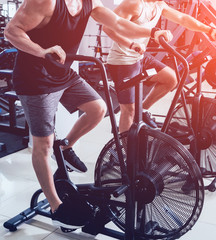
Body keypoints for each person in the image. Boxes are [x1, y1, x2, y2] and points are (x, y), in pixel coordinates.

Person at [4, 0, 172, 229]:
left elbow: (118, 23)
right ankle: (56, 205)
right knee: (43, 144)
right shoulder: (45, 2)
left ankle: (65, 147)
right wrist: (42, 51)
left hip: (63, 73)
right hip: (36, 79)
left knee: (98, 108)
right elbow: (12, 31)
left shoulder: (89, 3)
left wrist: (143, 36)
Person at [103, 0, 216, 133]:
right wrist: (131, 44)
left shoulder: (159, 5)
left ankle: (141, 110)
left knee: (171, 79)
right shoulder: (134, 4)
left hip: (141, 57)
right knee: (128, 111)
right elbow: (107, 28)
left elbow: (183, 18)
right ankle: (126, 150)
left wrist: (209, 30)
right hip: (122, 61)